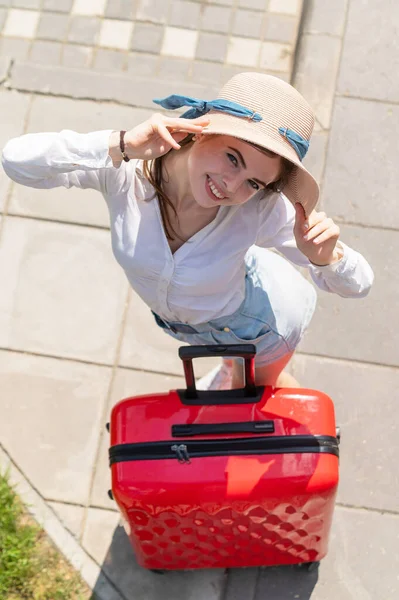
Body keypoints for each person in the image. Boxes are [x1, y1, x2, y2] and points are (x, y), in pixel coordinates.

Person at [1, 72, 373, 390]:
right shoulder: (125, 172)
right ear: (200, 131)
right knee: (235, 387)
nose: (231, 186)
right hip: (191, 329)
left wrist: (325, 257)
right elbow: (16, 161)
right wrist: (120, 144)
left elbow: (360, 284)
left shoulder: (257, 210)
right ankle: (230, 376)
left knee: (256, 400)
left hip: (257, 329)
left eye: (254, 182)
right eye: (232, 158)